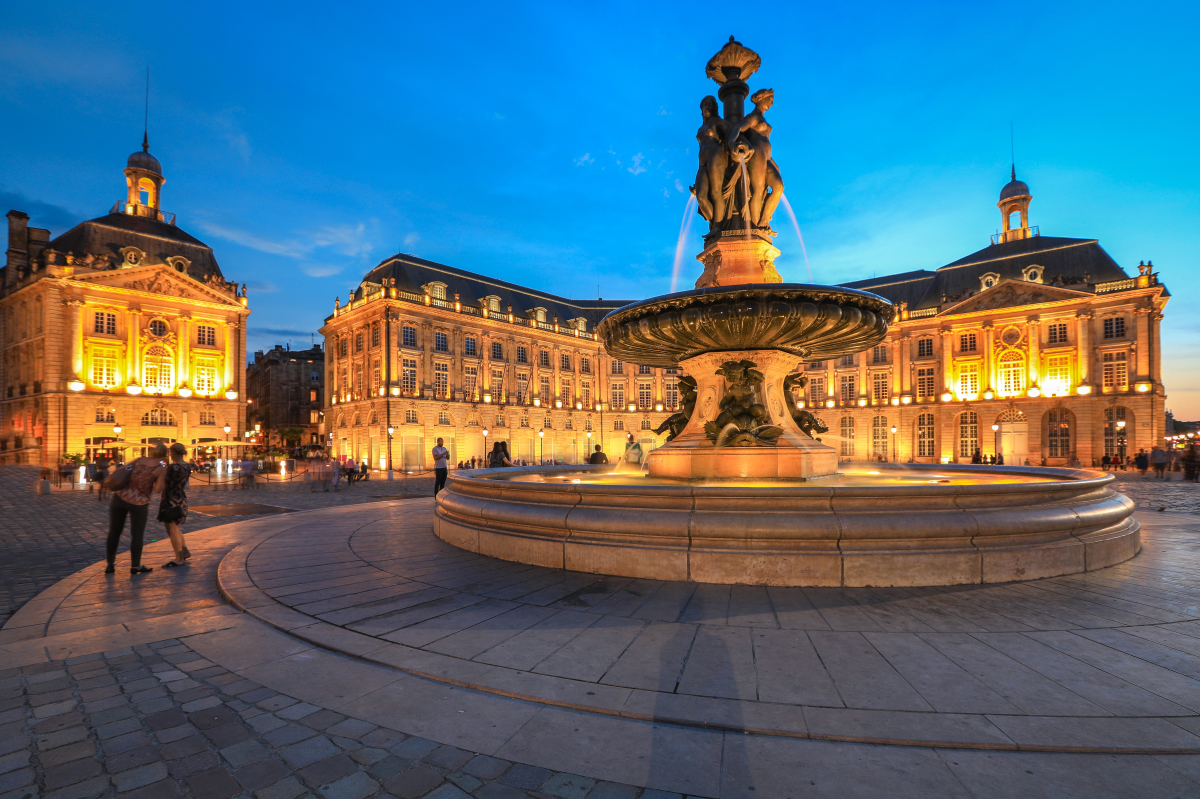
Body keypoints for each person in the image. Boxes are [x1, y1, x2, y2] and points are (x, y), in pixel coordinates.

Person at [105, 443, 168, 576]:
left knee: (114, 531)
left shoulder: (138, 460)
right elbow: (157, 490)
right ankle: (135, 565)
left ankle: (110, 564)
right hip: (139, 503)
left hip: (120, 497)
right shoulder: (160, 468)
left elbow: (122, 472)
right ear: (164, 454)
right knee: (137, 534)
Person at [158, 443, 192, 568]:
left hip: (170, 499)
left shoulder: (173, 467)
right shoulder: (187, 466)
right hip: (181, 498)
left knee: (172, 529)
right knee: (175, 528)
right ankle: (184, 551)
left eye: (170, 452)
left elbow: (163, 483)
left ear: (173, 452)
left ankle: (179, 558)